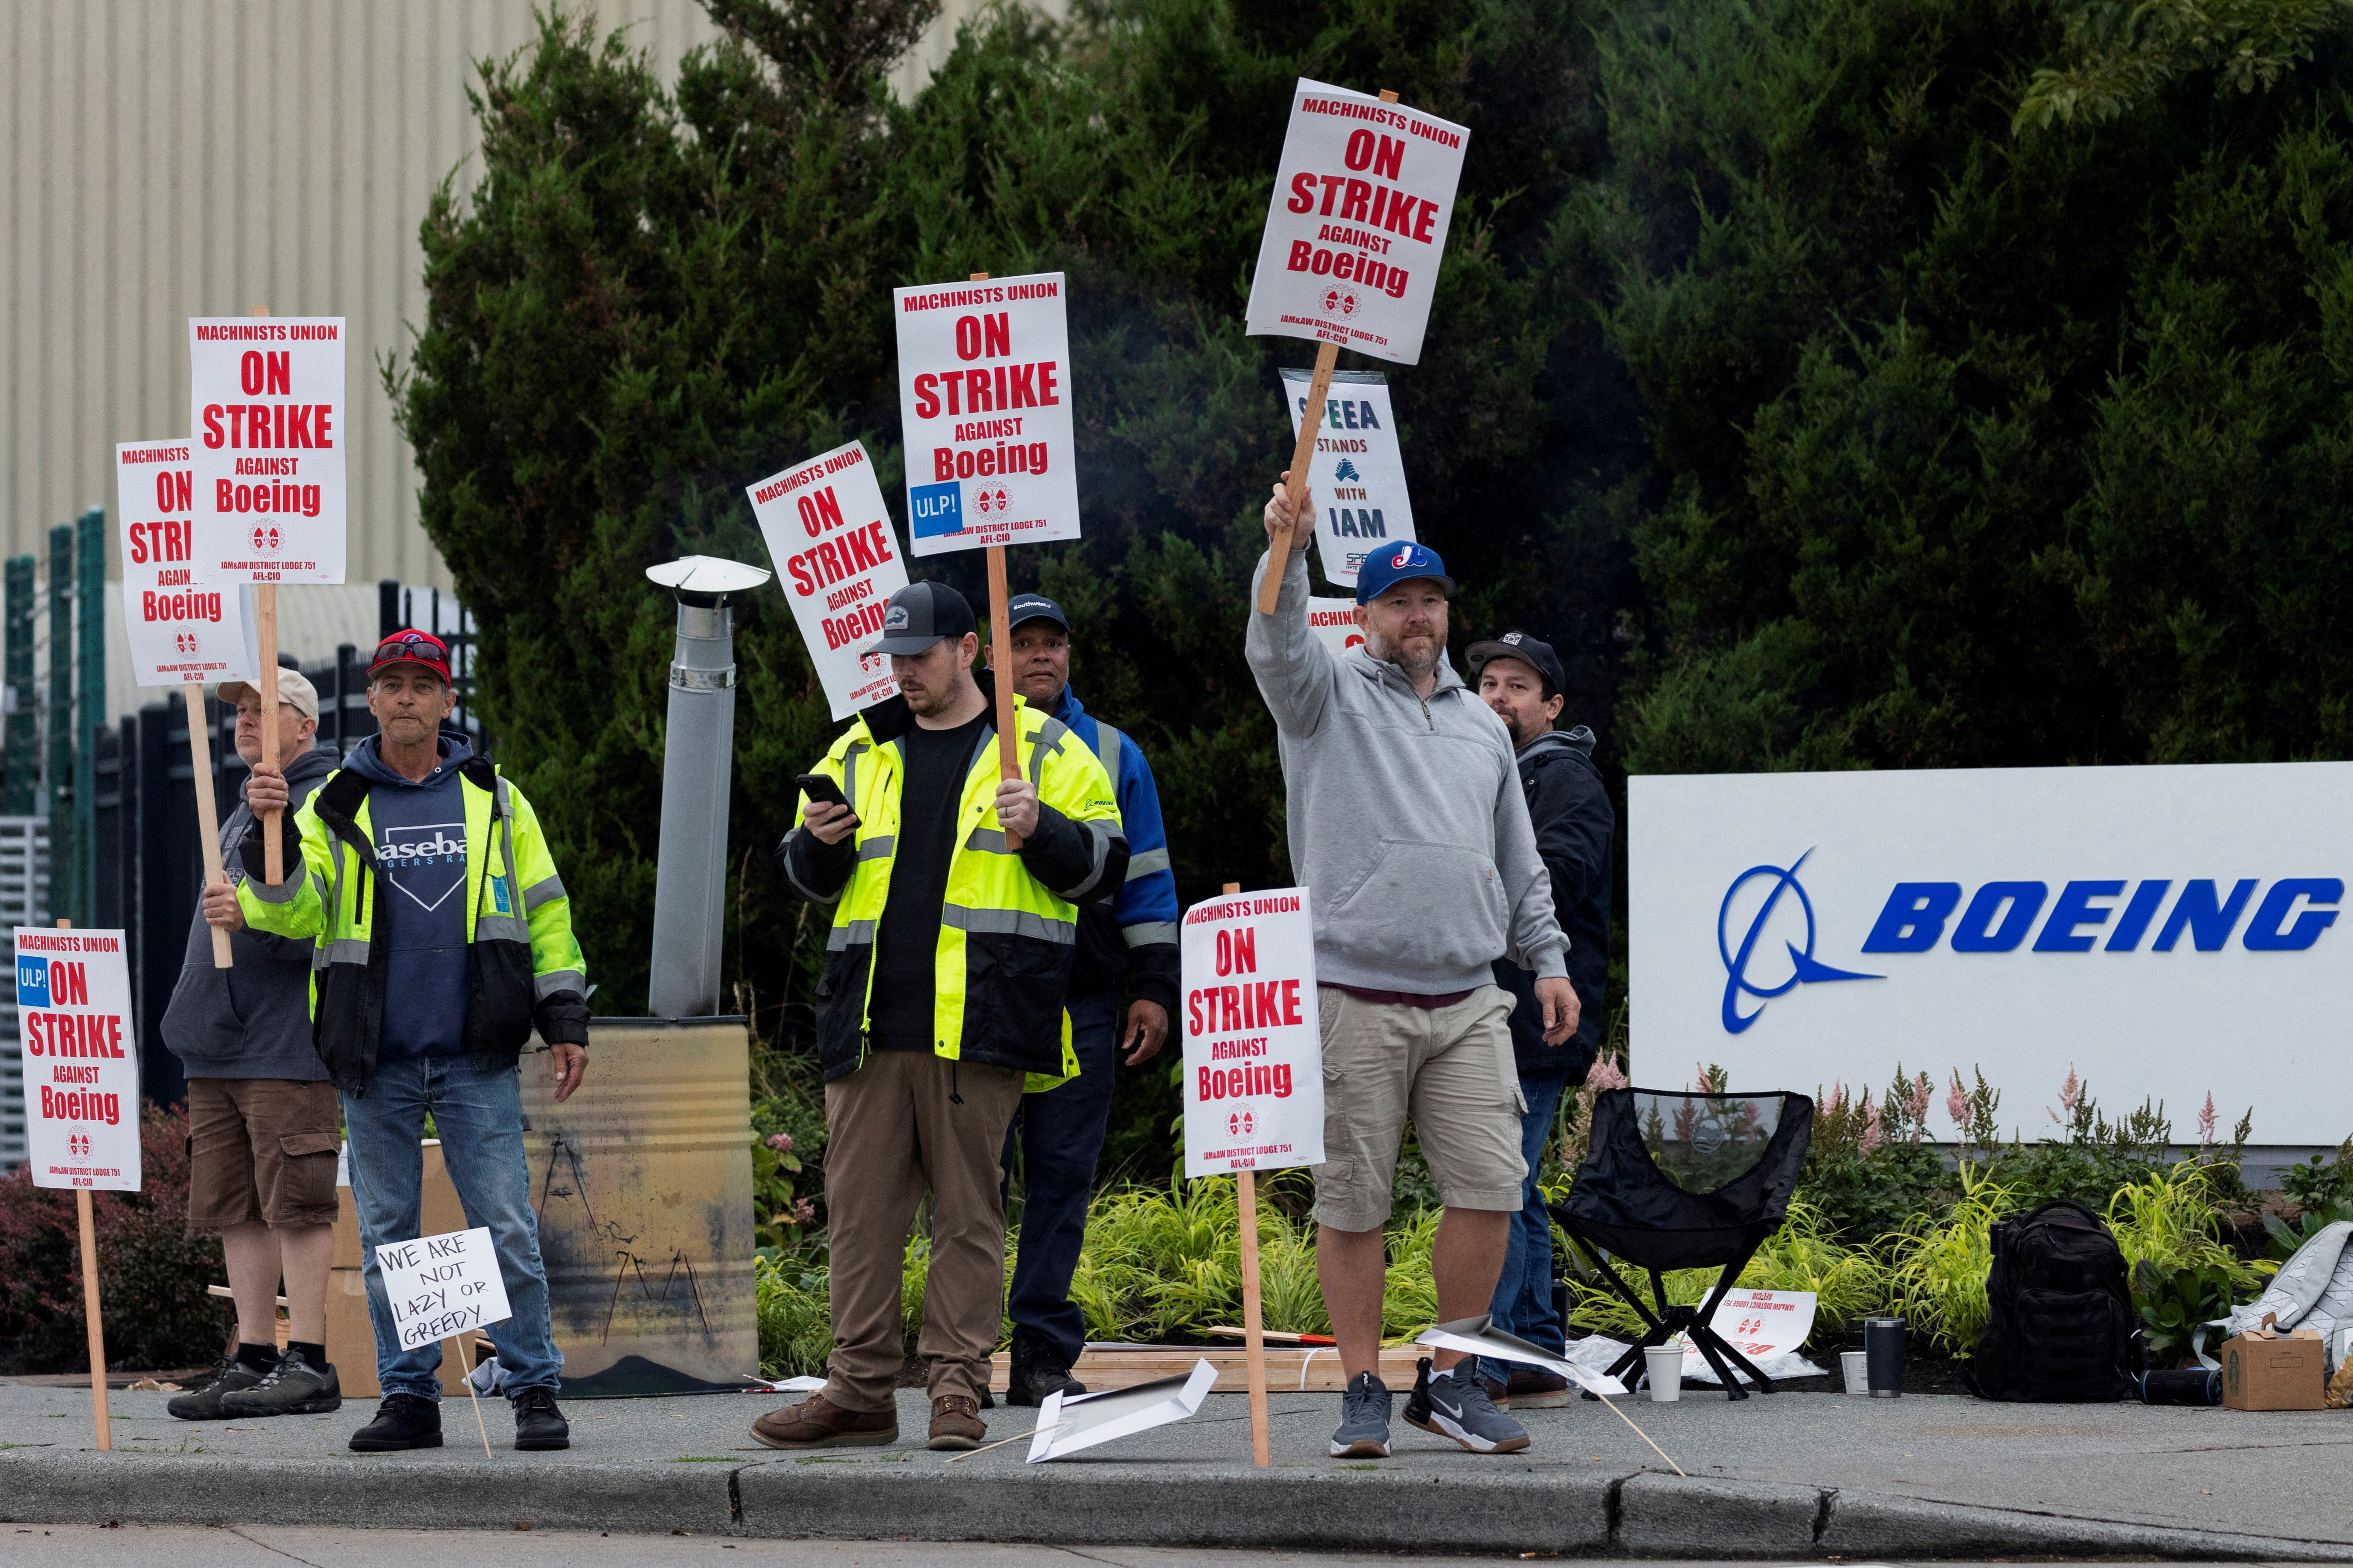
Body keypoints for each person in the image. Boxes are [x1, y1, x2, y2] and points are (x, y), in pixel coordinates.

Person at [1246, 483, 1579, 1460]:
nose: (1417, 615)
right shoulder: (1321, 694)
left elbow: (1518, 860)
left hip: (1470, 995)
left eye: (1430, 599)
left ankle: (1449, 1379)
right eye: (1397, 601)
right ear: (1365, 617)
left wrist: (1547, 961)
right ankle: (1360, 1389)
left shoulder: (1482, 725)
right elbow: (1273, 639)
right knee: (1353, 1201)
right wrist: (1288, 550)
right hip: (1351, 993)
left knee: (1490, 1190)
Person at [756, 580, 1126, 1453]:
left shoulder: (1042, 748)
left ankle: (956, 1390)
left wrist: (1044, 829)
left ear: (968, 652)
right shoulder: (857, 748)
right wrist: (815, 842)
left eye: (920, 656)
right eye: (894, 658)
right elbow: (802, 876)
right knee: (858, 1216)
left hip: (982, 1019)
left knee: (969, 1217)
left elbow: (1104, 873)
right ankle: (857, 1393)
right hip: (869, 1025)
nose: (904, 673)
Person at [209, 629, 591, 1455]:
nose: (408, 696)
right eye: (393, 684)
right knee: (389, 1237)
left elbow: (546, 912)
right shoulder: (334, 802)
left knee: (508, 1227)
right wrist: (267, 844)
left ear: (449, 702)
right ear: (373, 700)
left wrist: (565, 1019)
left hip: (473, 1052)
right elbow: (290, 915)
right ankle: (410, 1395)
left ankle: (533, 1389)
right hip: (372, 1057)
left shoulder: (496, 798)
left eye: (424, 683)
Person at [993, 592, 1180, 1407]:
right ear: (991, 656)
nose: (1041, 655)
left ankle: (1039, 1353)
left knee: (1064, 1177)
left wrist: (1153, 987)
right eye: (1023, 641)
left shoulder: (1112, 750)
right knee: (973, 1181)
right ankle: (960, 1353)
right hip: (985, 998)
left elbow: (1147, 879)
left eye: (1054, 642)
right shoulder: (963, 742)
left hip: (1084, 996)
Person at [163, 668, 344, 1421]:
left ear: (305, 727)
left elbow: (326, 913)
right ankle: (255, 1353)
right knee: (236, 1203)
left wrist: (256, 908)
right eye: (239, 710)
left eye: (266, 709)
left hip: (285, 1043)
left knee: (295, 1203)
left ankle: (309, 1358)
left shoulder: (325, 801)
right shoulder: (240, 807)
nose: (246, 720)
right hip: (221, 1044)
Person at [1463, 631, 1615, 1409]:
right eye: (1488, 681)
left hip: (1535, 1019)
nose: (1498, 697)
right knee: (1511, 1184)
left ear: (1552, 707)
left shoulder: (1565, 780)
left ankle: (1511, 1356)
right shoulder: (1494, 776)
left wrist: (1459, 871)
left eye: (1517, 685)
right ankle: (1531, 1351)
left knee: (1502, 1183)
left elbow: (1549, 881)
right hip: (1500, 1014)